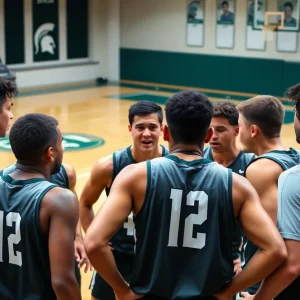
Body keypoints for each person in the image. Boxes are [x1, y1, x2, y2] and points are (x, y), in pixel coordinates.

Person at [84, 90, 287, 300]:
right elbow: (275, 250)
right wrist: (230, 291)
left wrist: (122, 290)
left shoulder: (133, 177)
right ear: (208, 135)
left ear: (165, 132)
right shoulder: (237, 185)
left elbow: (93, 243)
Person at [79, 100, 168, 300]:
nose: (147, 133)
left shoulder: (172, 163)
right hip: (116, 256)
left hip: (156, 257)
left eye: (153, 127)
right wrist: (91, 234)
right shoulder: (109, 166)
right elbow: (84, 203)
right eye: (140, 127)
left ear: (162, 130)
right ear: (130, 129)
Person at [0, 113, 81, 299]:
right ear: (50, 153)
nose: (63, 149)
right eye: (61, 144)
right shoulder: (58, 200)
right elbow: (62, 282)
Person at [236, 95, 300, 299]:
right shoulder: (295, 157)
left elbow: (273, 243)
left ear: (253, 130)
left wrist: (256, 292)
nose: (238, 133)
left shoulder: (261, 169)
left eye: (240, 127)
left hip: (267, 285)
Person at [0, 162, 91, 288]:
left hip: (59, 258)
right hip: (27, 265)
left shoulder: (66, 173)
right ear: (50, 152)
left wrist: (78, 237)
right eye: (60, 143)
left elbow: (73, 208)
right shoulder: (6, 181)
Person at [203, 100, 255, 276]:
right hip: (198, 254)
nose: (213, 136)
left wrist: (245, 260)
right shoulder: (197, 160)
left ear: (236, 130)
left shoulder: (252, 166)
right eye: (210, 130)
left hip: (233, 261)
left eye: (220, 130)